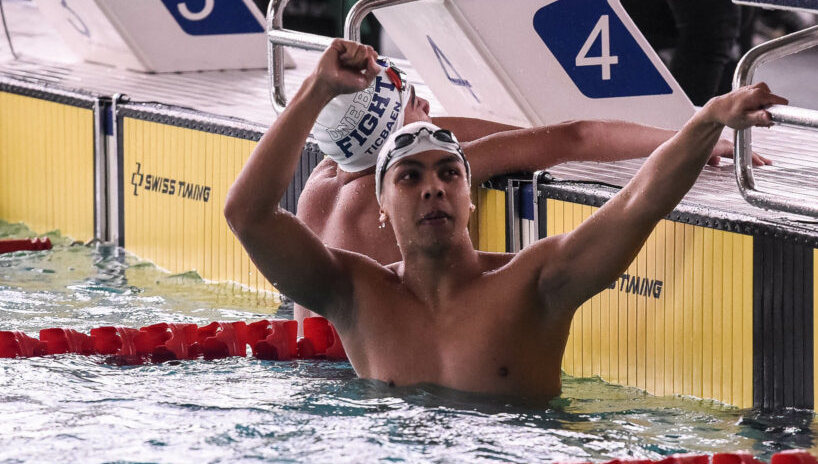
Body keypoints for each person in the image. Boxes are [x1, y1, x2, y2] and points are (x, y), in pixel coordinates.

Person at [225, 40, 785, 402]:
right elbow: (246, 214)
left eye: (449, 173)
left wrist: (707, 120)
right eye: (410, 178)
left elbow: (641, 200)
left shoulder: (536, 283)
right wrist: (316, 88)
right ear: (381, 205)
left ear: (471, 197)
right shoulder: (353, 294)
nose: (433, 188)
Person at [294, 41, 770, 325]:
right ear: (395, 133)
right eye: (416, 102)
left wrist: (407, 115)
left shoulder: (319, 184)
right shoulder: (432, 179)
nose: (430, 111)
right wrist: (693, 138)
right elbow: (574, 137)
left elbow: (482, 131)